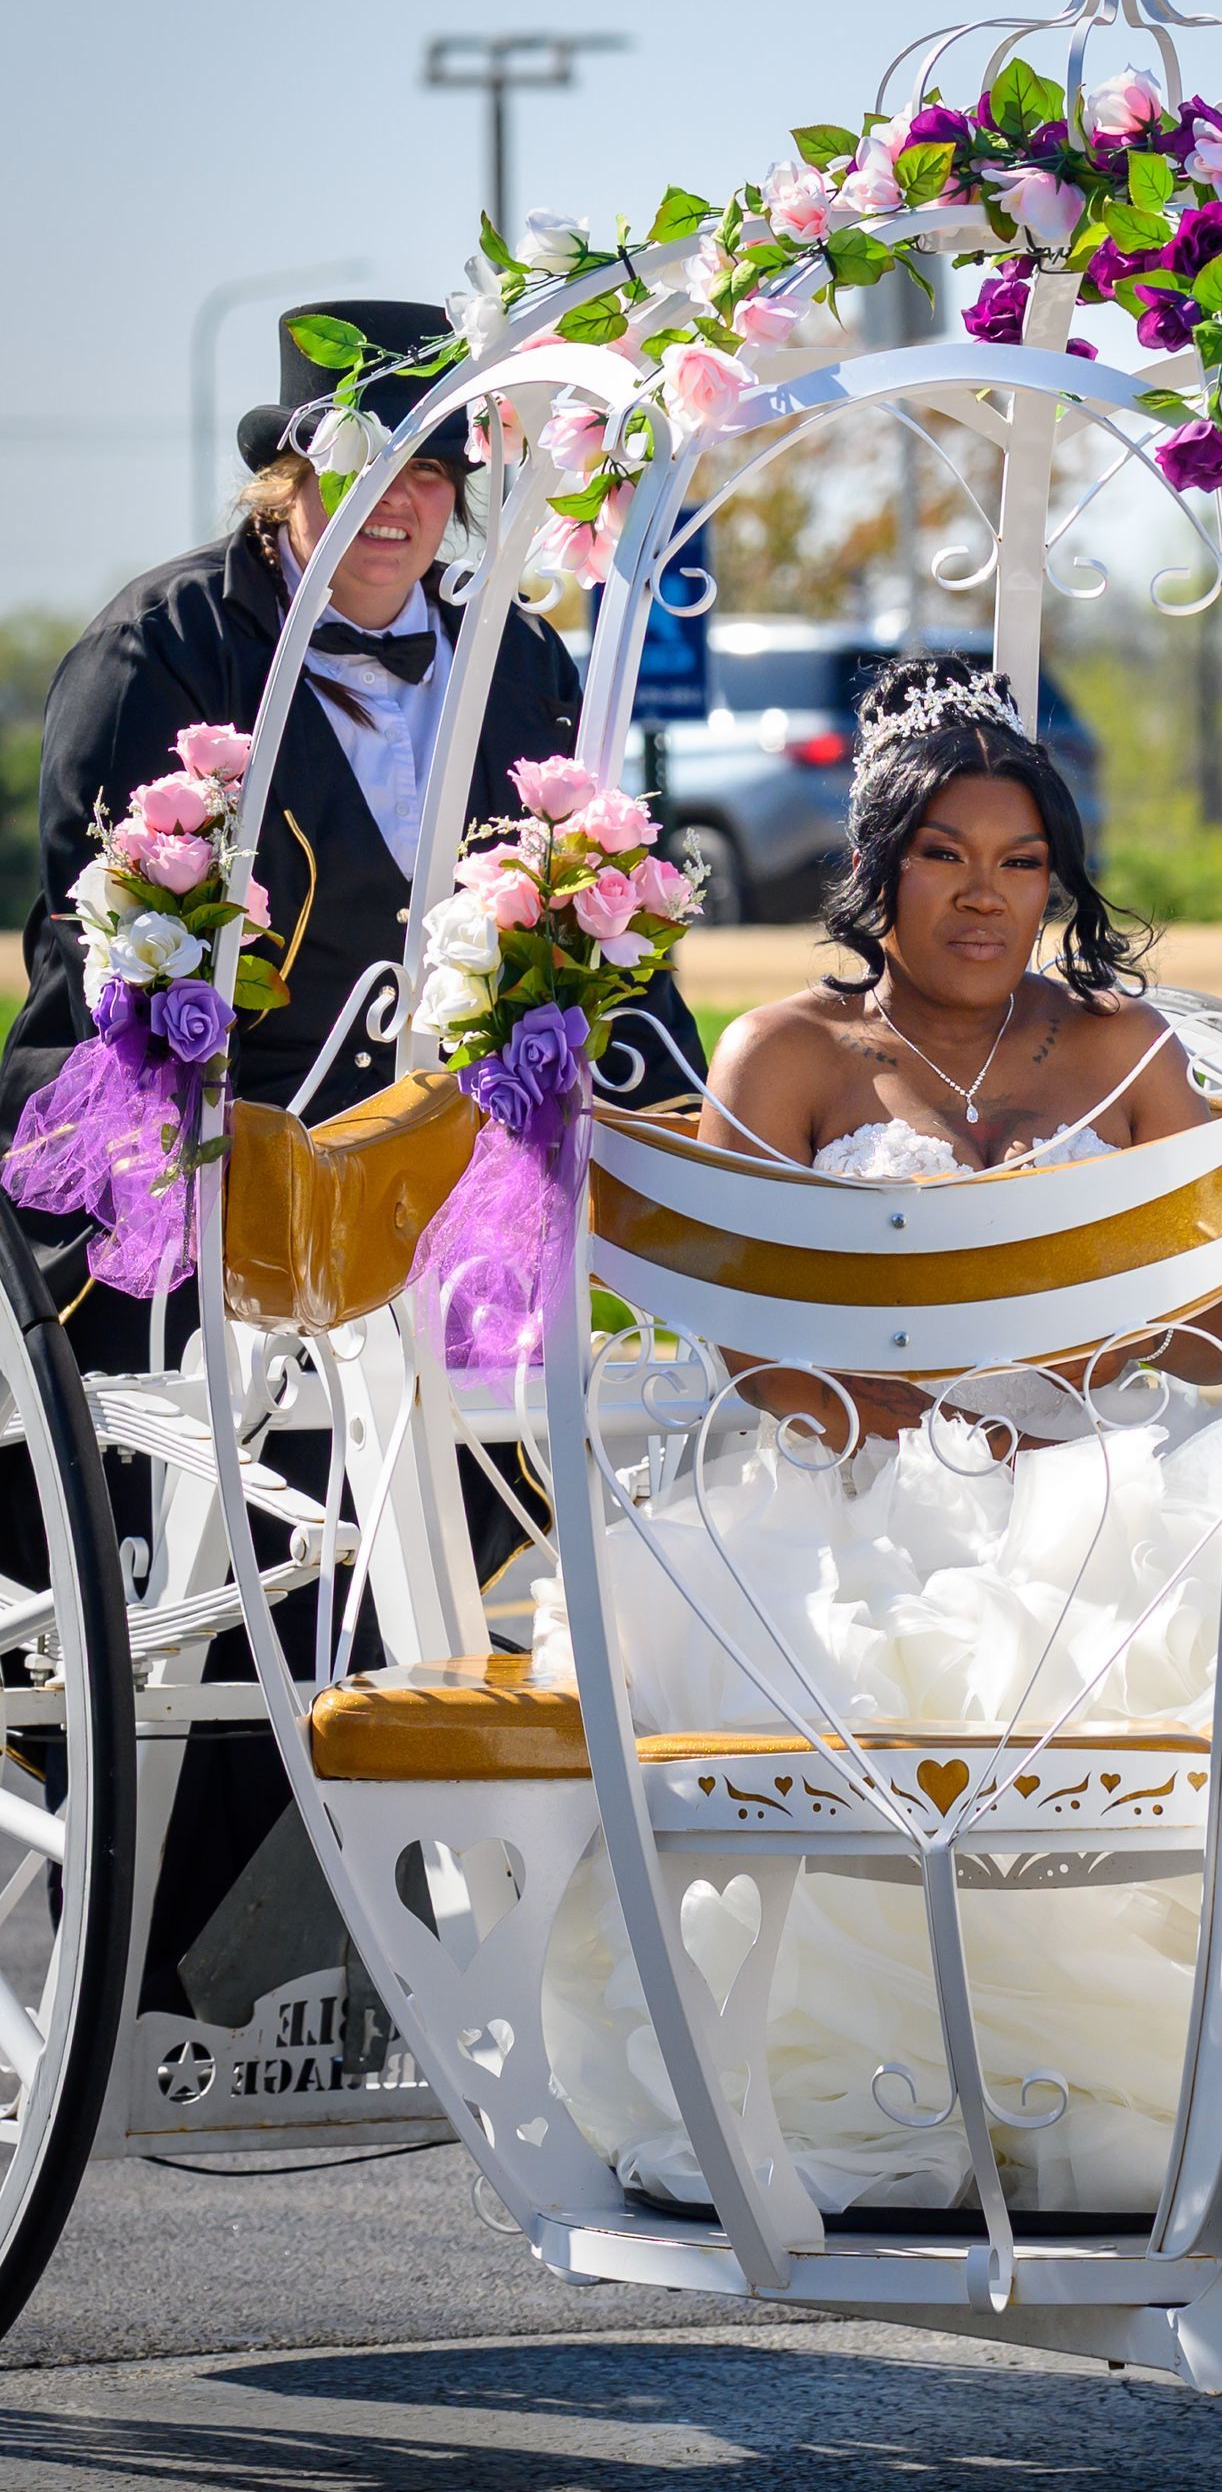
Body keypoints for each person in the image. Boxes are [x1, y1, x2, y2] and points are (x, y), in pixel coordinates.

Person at [0, 298, 704, 2013]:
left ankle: (297, 1879)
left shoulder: (520, 659)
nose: (394, 500)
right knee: (188, 1524)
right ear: (282, 475)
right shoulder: (159, 646)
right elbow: (86, 952)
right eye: (356, 460)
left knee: (486, 1457)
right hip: (179, 1150)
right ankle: (149, 1888)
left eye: (432, 465)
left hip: (431, 1169)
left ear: (466, 487)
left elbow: (599, 923)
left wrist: (694, 1105)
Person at [536, 660, 1222, 2217]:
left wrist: (1064, 1380)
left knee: (1197, 1575)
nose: (986, 899)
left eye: (1021, 863)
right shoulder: (786, 1055)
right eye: (946, 857)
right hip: (840, 1485)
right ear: (878, 870)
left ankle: (1178, 2068)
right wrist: (932, 1414)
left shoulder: (1131, 1055)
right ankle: (863, 2092)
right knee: (842, 1645)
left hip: (1103, 1468)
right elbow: (750, 1346)